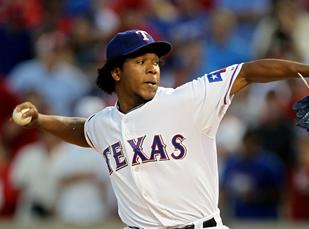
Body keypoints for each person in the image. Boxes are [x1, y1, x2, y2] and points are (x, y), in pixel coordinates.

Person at [12, 29, 309, 229]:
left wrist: (306, 69)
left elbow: (248, 72)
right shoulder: (103, 123)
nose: (153, 68)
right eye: (141, 61)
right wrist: (41, 120)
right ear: (116, 72)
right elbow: (82, 131)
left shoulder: (188, 99)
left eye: (155, 62)